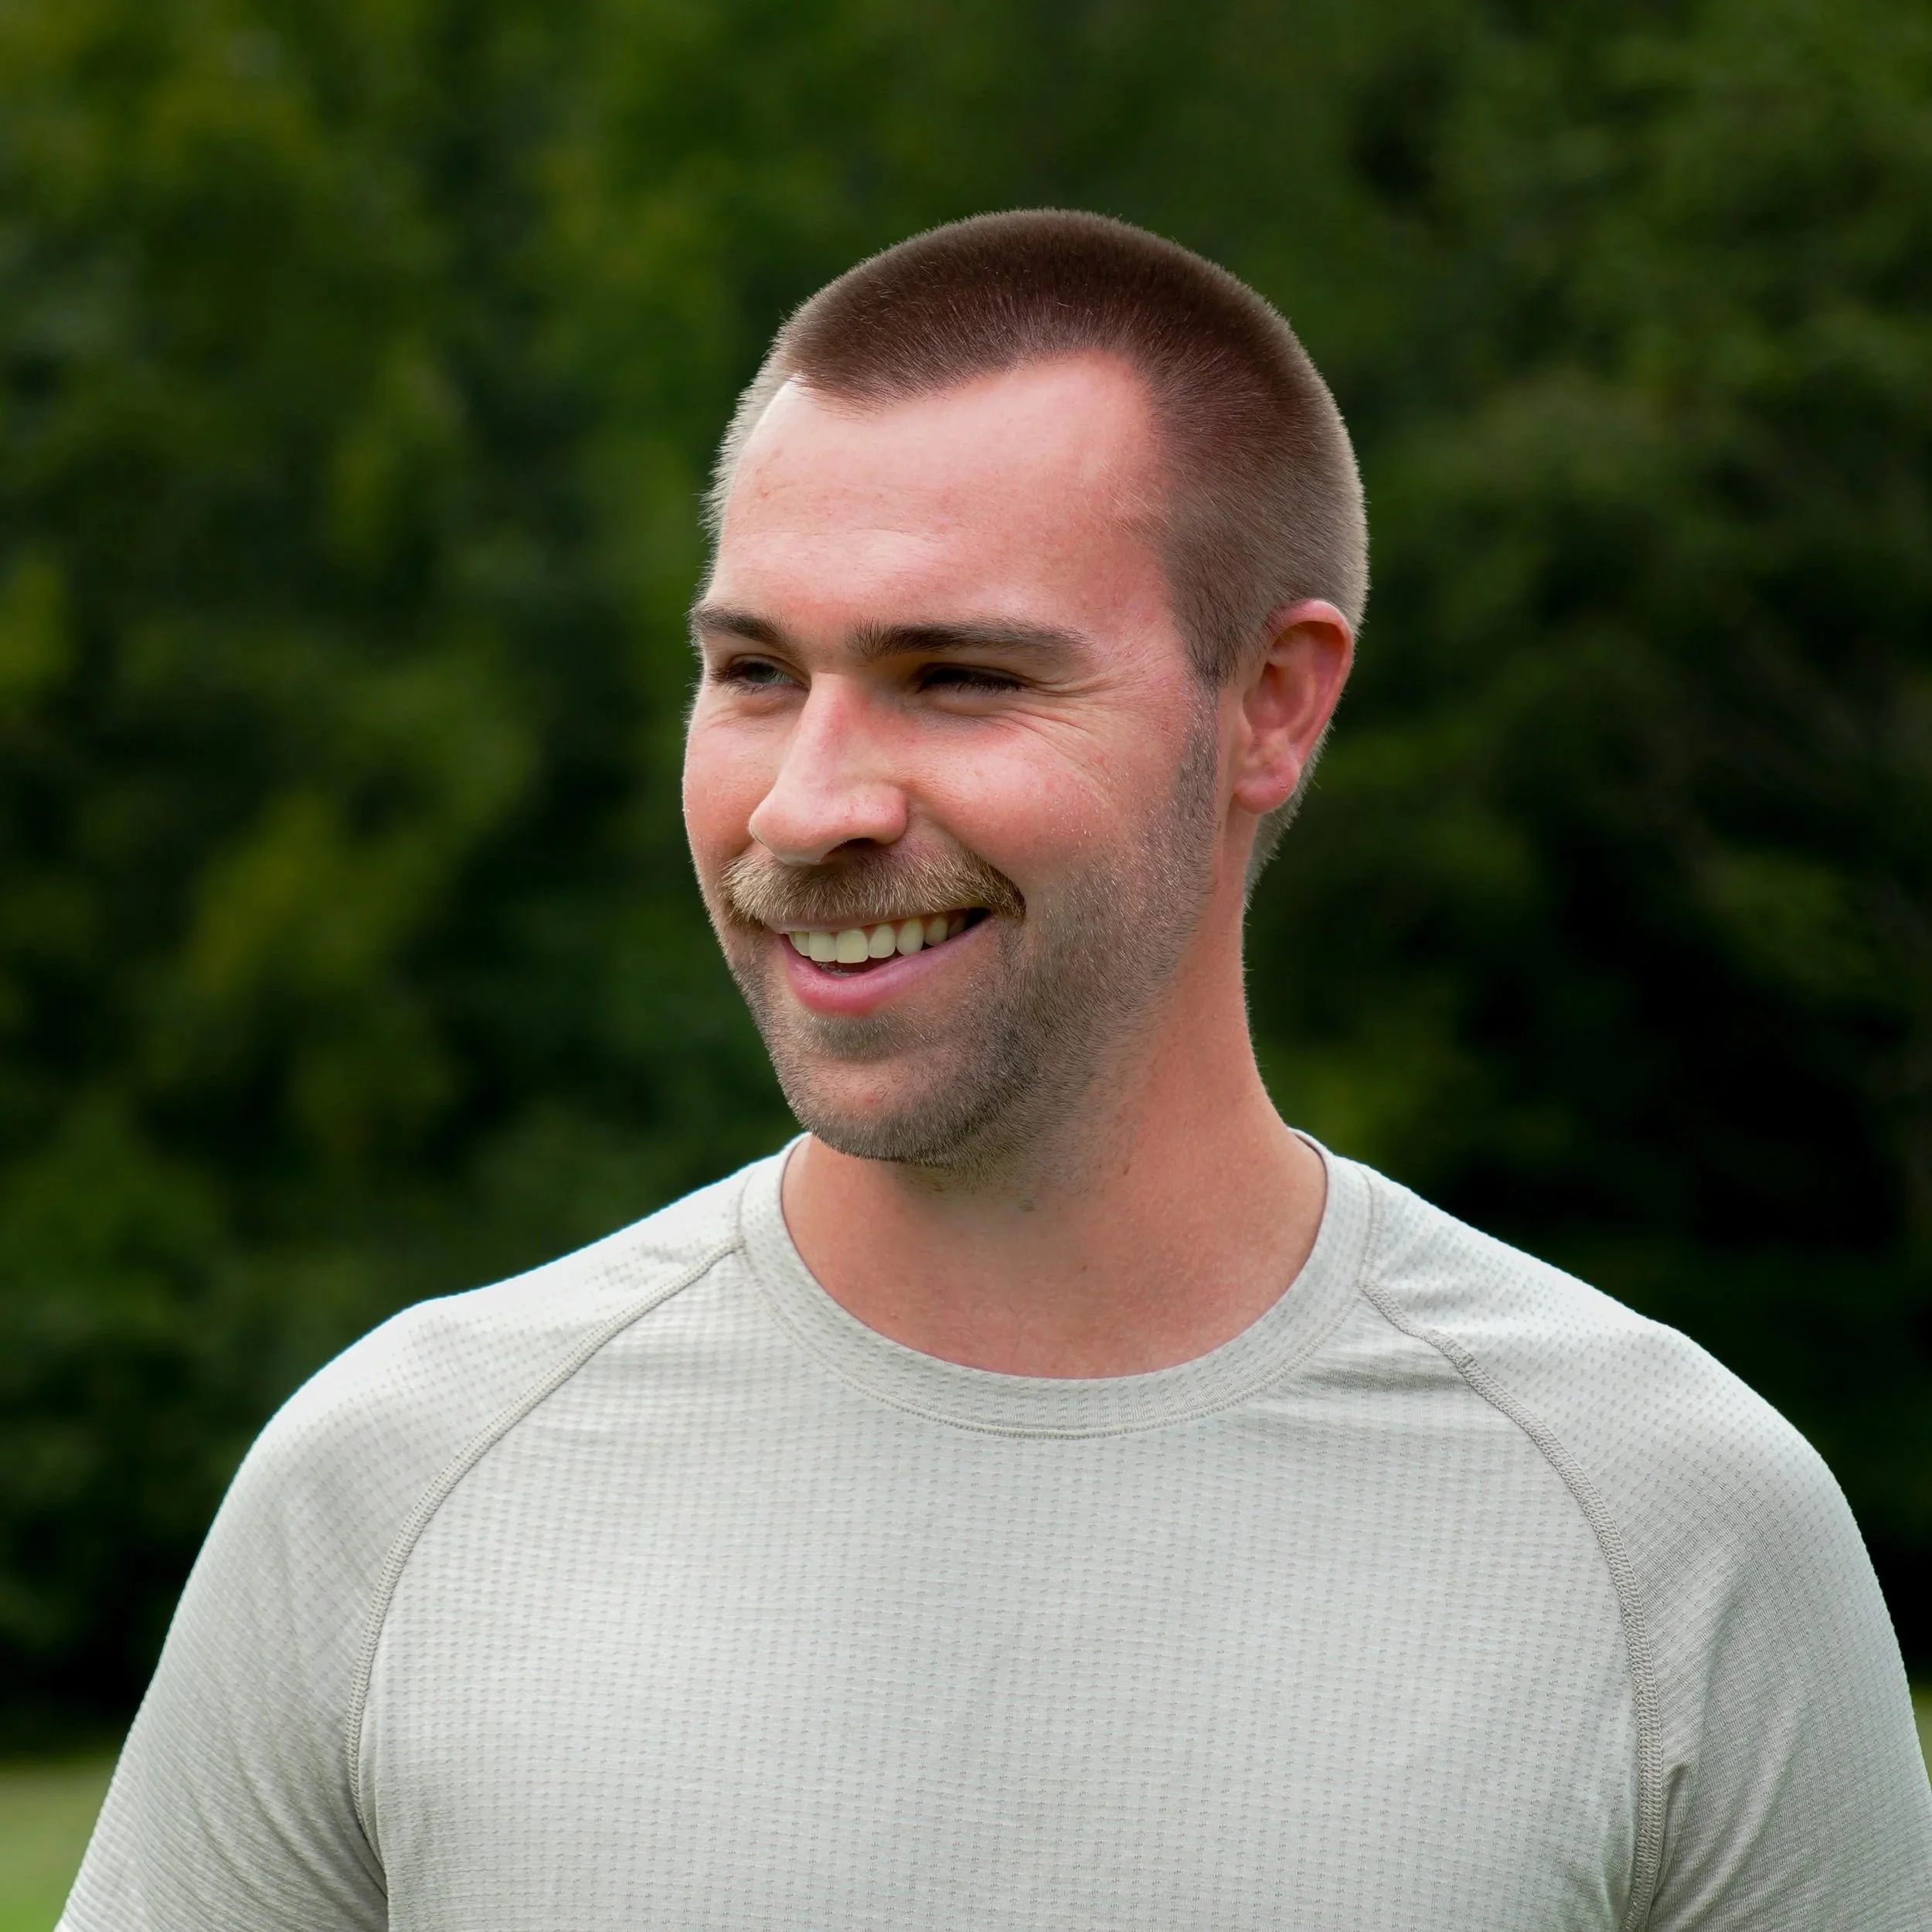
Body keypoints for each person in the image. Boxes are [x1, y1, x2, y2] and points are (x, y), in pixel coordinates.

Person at [62, 211, 1932, 1932]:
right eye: (754, 671)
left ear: (1272, 700)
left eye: (956, 676)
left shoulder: (1669, 1533)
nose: (808, 802)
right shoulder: (395, 1488)